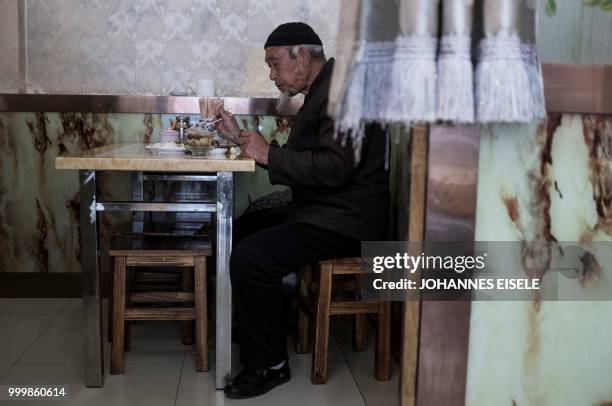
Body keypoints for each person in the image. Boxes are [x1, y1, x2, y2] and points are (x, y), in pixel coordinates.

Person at [211, 22, 390, 399]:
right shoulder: (322, 91)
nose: (272, 75)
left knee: (252, 257)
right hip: (321, 210)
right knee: (243, 228)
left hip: (345, 221)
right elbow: (302, 159)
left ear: (303, 56)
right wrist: (240, 139)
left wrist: (267, 153)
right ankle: (253, 325)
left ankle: (270, 365)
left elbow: (334, 168)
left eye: (275, 63)